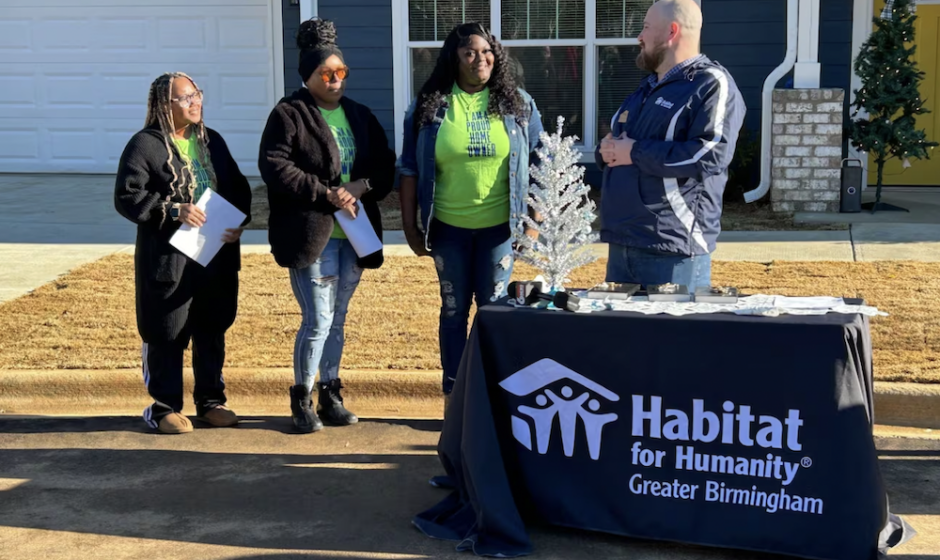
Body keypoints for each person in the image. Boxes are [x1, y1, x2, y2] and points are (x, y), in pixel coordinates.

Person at [258, 18, 396, 433]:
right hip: (311, 234)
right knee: (317, 319)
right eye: (326, 73)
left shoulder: (360, 115)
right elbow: (275, 166)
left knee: (338, 318)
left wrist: (361, 185)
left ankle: (331, 393)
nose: (335, 80)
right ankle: (302, 397)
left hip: (353, 233)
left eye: (341, 72)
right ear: (308, 75)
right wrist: (326, 193)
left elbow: (385, 165)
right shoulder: (289, 114)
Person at [397, 22, 544, 398]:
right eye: (470, 52)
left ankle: (489, 395)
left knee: (494, 311)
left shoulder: (519, 104)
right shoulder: (429, 106)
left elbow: (542, 165)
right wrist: (411, 229)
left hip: (500, 230)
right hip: (448, 230)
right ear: (455, 58)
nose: (481, 59)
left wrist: (533, 225)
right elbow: (409, 169)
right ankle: (455, 394)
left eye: (487, 51)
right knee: (453, 311)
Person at [115, 72, 252, 434]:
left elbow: (238, 188)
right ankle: (163, 407)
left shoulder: (211, 141)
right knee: (167, 329)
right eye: (186, 97)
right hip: (169, 258)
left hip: (214, 252)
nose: (196, 102)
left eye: (197, 94)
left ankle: (211, 401)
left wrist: (238, 222)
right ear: (165, 104)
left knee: (212, 326)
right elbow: (127, 196)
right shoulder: (145, 145)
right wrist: (174, 210)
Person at [597, 0, 745, 291]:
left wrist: (634, 152)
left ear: (671, 32)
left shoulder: (710, 84)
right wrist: (607, 151)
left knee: (672, 324)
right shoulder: (645, 88)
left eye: (646, 28)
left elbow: (711, 154)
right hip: (622, 242)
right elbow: (621, 144)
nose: (639, 37)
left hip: (672, 251)